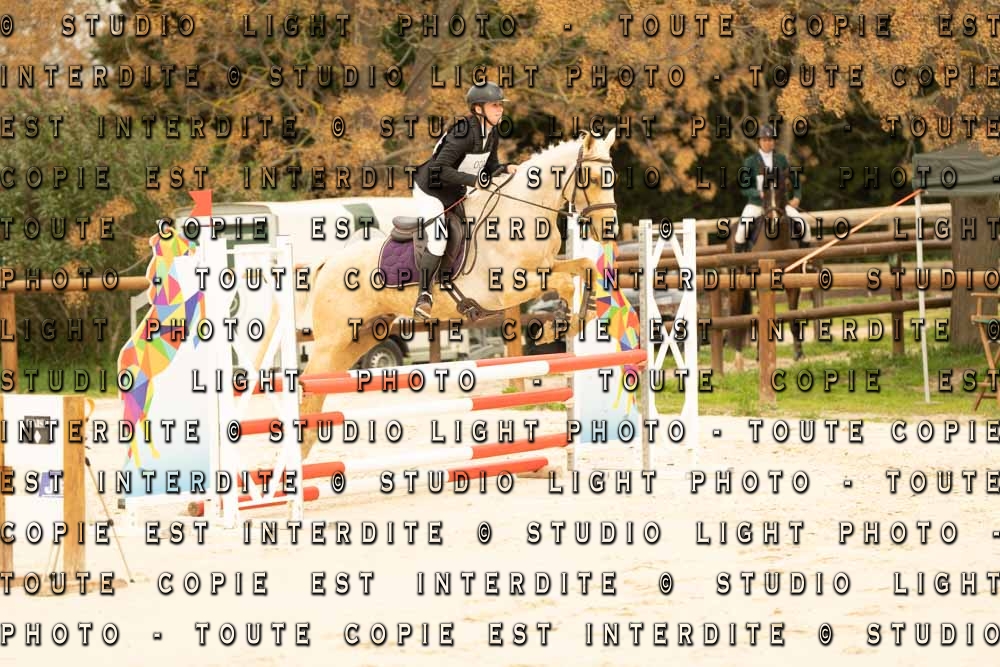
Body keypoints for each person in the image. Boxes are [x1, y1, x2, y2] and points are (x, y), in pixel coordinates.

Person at [410, 81, 518, 319]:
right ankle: (424, 295)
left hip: (455, 190)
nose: (500, 109)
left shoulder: (491, 133)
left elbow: (490, 166)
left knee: (477, 229)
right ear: (478, 109)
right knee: (439, 238)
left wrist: (505, 168)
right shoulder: (463, 133)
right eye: (494, 105)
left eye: (500, 105)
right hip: (430, 190)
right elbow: (438, 169)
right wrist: (474, 180)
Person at [735, 125, 812, 251]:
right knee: (741, 232)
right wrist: (758, 193)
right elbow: (744, 188)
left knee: (805, 227)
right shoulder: (750, 162)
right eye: (764, 140)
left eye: (770, 140)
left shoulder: (781, 159)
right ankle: (739, 261)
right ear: (759, 141)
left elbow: (795, 179)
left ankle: (805, 259)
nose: (767, 143)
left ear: (774, 141)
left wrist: (797, 197)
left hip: (780, 204)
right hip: (757, 204)